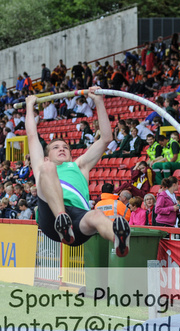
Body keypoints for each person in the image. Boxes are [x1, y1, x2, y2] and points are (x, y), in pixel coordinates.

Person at [25, 88, 131, 257]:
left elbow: (106, 139)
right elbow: (32, 135)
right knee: (46, 169)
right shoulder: (43, 164)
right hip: (51, 217)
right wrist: (30, 105)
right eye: (56, 147)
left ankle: (119, 240)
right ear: (46, 156)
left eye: (65, 147)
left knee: (96, 215)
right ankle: (62, 220)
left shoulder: (79, 166)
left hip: (78, 220)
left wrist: (99, 101)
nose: (62, 149)